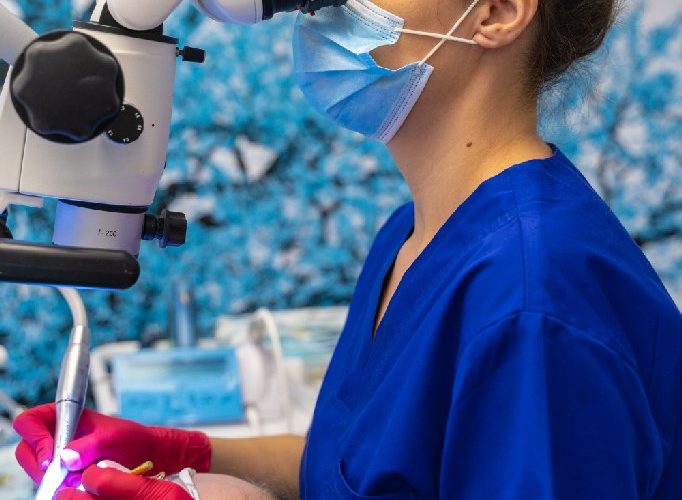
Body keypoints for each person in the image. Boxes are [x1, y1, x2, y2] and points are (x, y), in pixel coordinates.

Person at [14, 0, 682, 498]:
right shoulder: (415, 233)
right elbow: (355, 473)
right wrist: (186, 453)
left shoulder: (533, 302)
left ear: (498, 13)